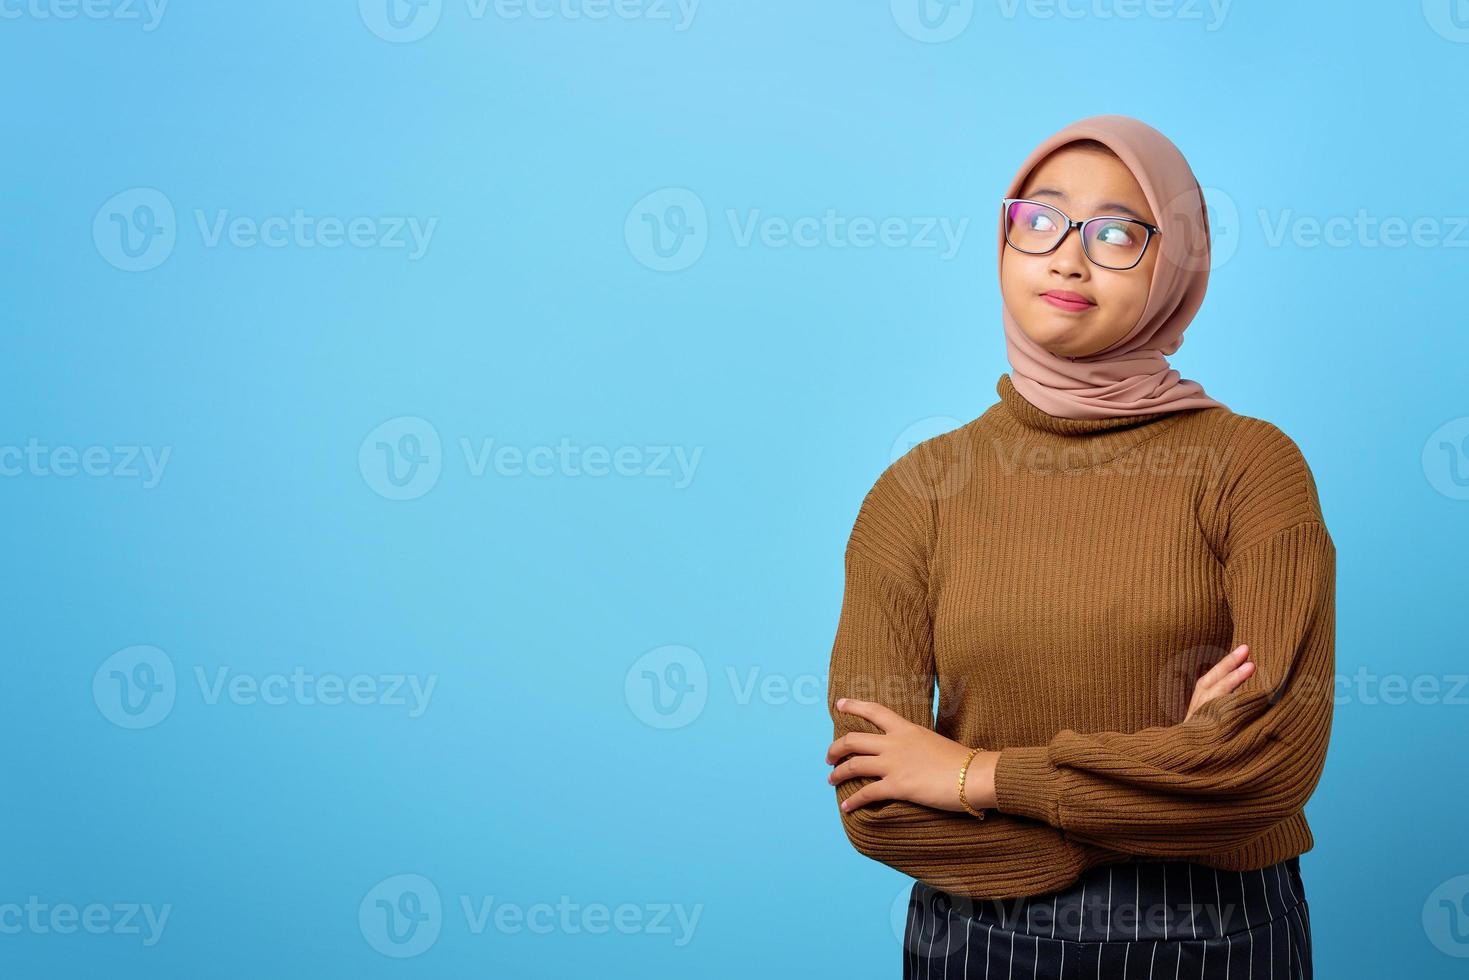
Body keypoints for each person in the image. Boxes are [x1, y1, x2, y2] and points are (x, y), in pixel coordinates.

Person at [824, 115, 1331, 979]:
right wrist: (1167, 787)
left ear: (1175, 267)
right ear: (1003, 240)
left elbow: (1265, 765)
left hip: (1215, 939)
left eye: (1116, 234)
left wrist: (974, 776)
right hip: (976, 942)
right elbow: (878, 803)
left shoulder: (1249, 466)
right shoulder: (917, 492)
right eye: (1041, 219)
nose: (1067, 256)